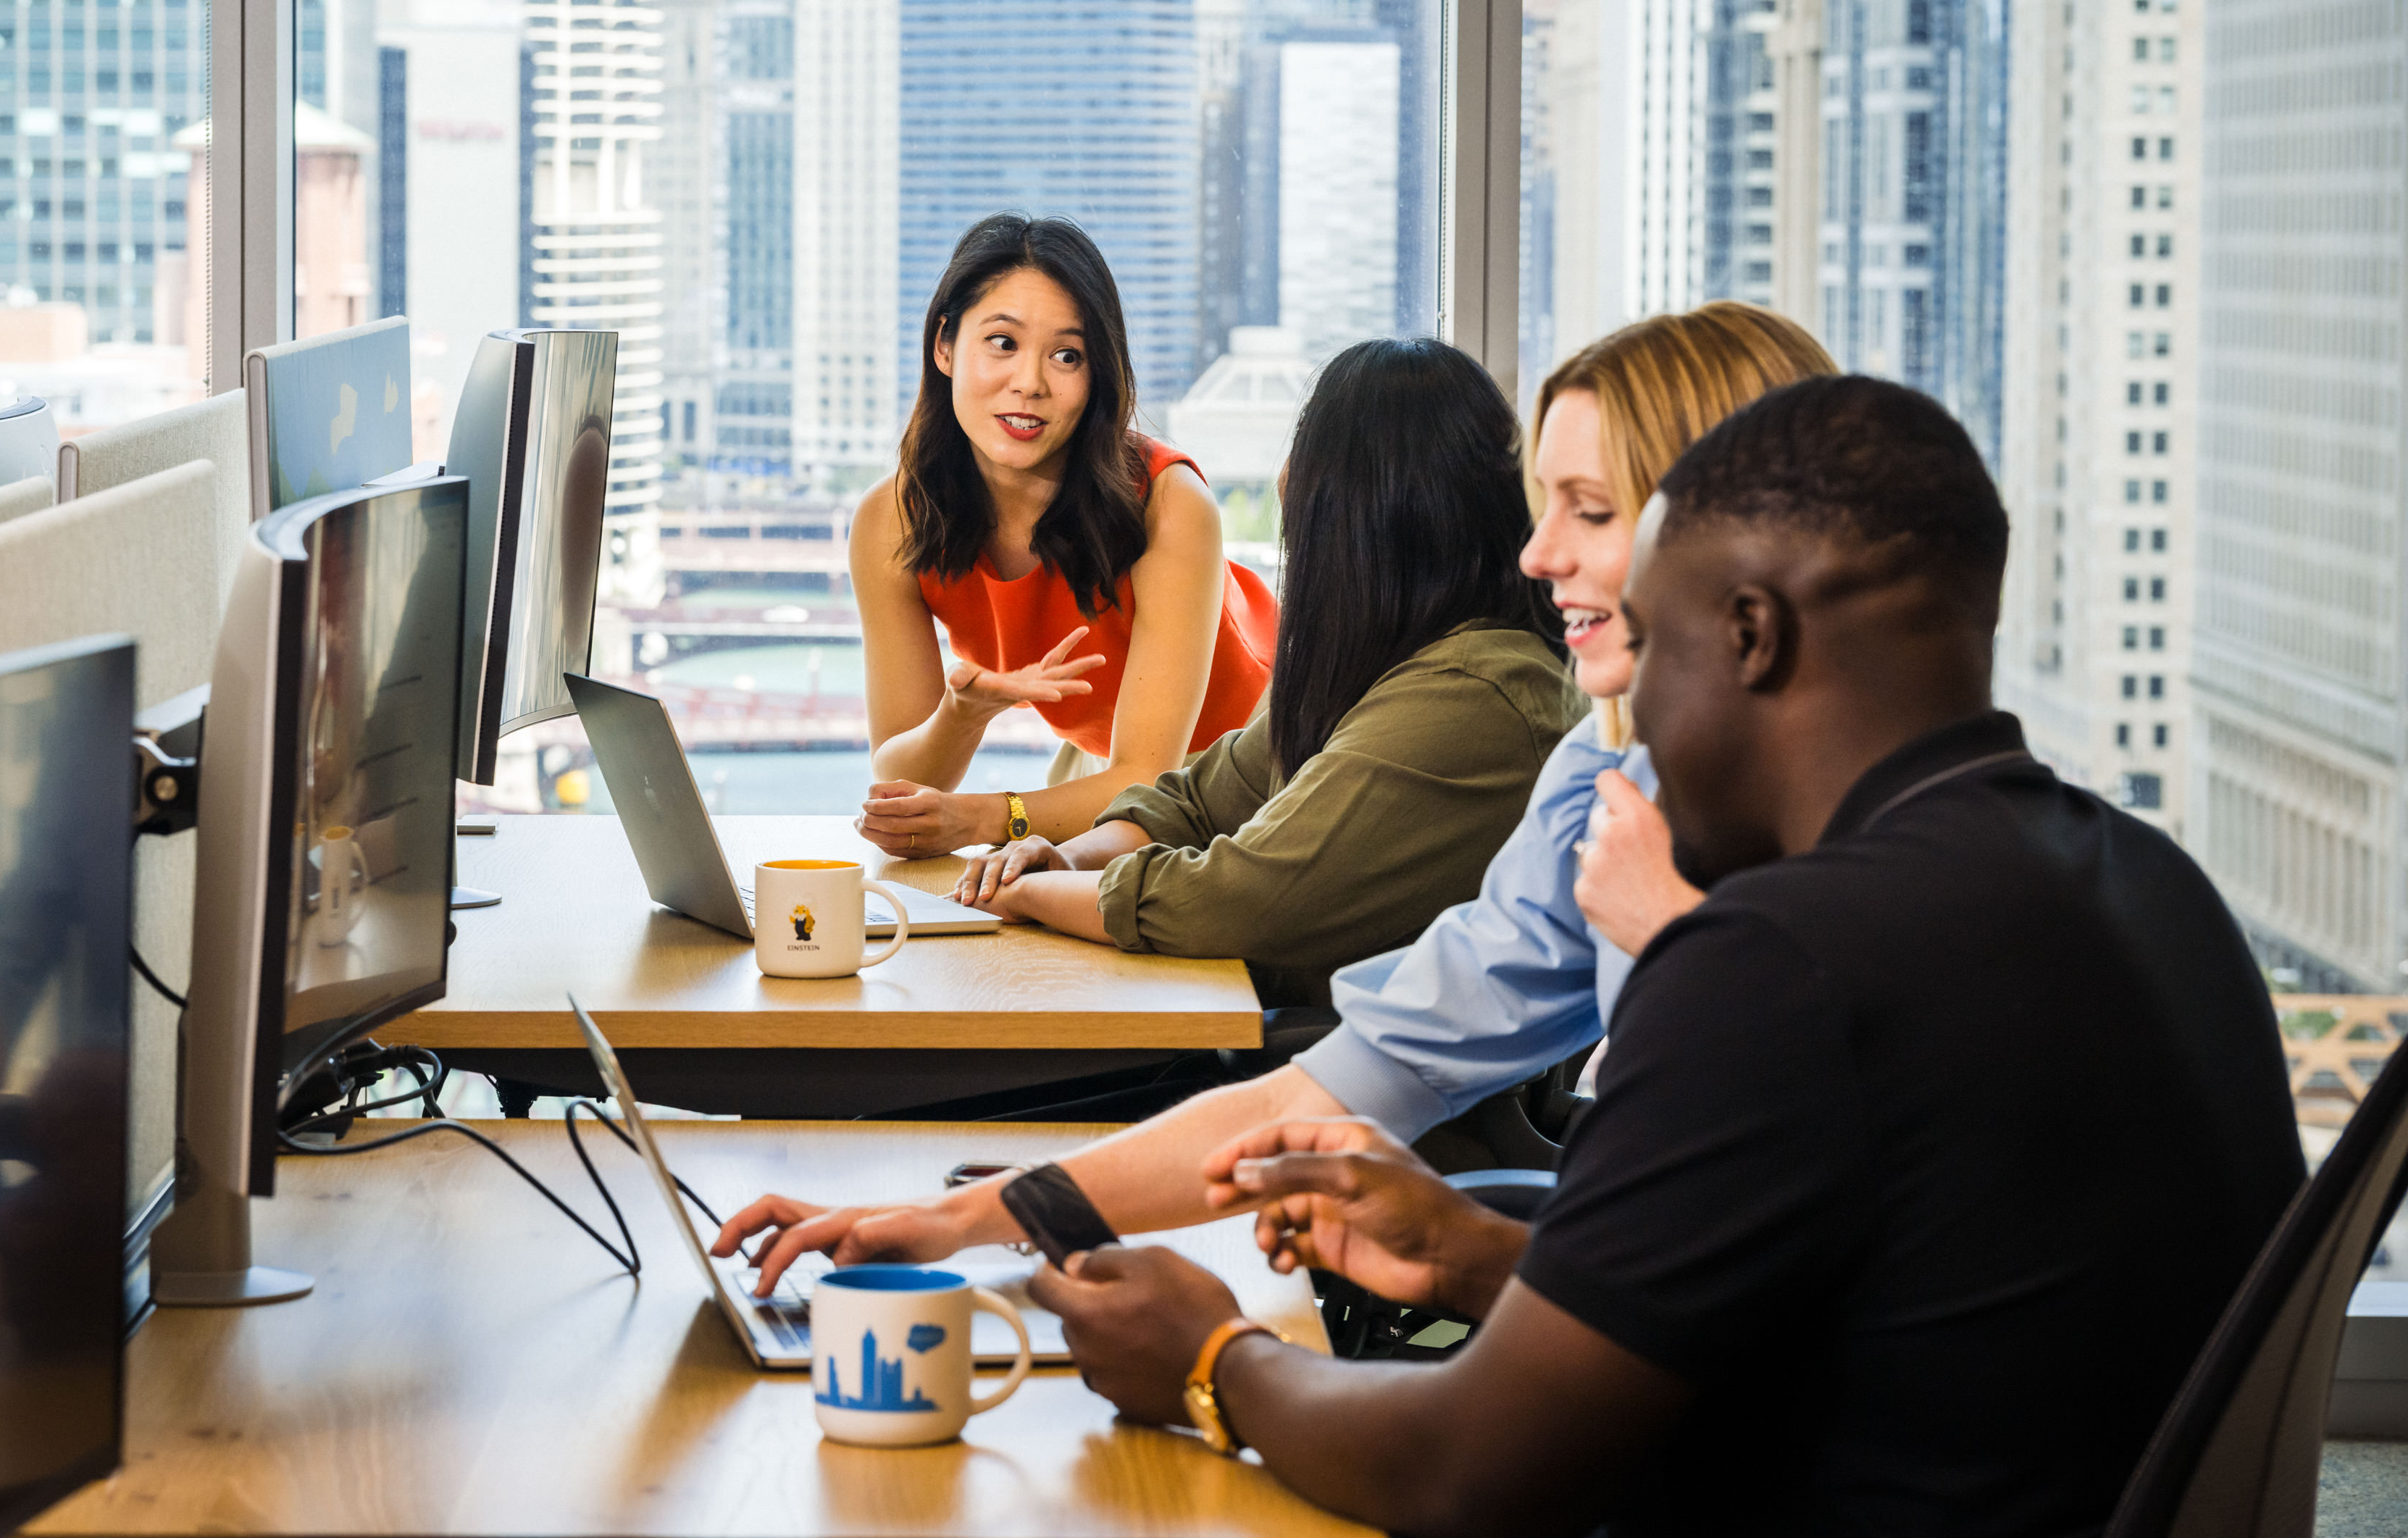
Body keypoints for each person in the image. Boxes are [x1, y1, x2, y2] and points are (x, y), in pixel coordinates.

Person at [1020, 376, 2304, 1536]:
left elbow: (1468, 1471)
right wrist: (1480, 1252)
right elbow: (1921, 1322)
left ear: (1749, 635)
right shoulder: (2154, 888)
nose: (1617, 728)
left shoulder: (1778, 961)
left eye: (1653, 644)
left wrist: (1215, 1356)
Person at [716, 303, 1834, 1284]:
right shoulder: (1602, 782)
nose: (1538, 555)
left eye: (1588, 510)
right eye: (1542, 504)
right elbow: (1373, 1068)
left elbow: (1718, 1265)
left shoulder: (1873, 851)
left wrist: (1222, 1363)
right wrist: (960, 1217)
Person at [943, 338, 1583, 1013]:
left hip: (1377, 1097)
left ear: (1363, 508)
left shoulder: (1476, 696)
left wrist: (1032, 891)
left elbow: (1241, 899)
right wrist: (1066, 860)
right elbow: (1199, 800)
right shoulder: (1384, 658)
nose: (1285, 480)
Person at [851, 214, 1279, 860]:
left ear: (1097, 375)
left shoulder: (1169, 503)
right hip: (1108, 762)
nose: (1030, 382)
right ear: (944, 343)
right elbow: (902, 787)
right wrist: (962, 716)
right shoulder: (892, 518)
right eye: (1002, 342)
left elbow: (1152, 775)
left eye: (1067, 356)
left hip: (1249, 760)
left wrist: (978, 819)